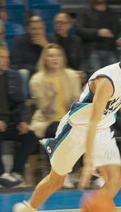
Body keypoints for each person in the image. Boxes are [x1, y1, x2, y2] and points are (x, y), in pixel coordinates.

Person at [13, 28, 121, 212]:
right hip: (77, 129)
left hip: (102, 128)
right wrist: (88, 163)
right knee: (56, 181)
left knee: (116, 179)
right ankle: (27, 211)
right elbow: (92, 121)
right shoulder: (106, 81)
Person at [0, 44, 37, 187]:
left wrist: (22, 121)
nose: (6, 60)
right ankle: (1, 173)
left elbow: (20, 103)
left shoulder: (13, 76)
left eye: (7, 57)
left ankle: (17, 171)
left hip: (10, 123)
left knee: (31, 136)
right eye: (2, 57)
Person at [29, 44, 82, 188]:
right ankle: (62, 174)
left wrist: (74, 103)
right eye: (51, 56)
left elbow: (77, 104)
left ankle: (82, 173)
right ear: (45, 59)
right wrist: (52, 97)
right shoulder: (37, 80)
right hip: (47, 121)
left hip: (69, 119)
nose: (55, 59)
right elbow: (46, 112)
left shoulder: (71, 76)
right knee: (59, 130)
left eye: (57, 55)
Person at [76, 0, 121, 74]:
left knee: (115, 79)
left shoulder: (113, 13)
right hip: (92, 51)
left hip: (111, 50)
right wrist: (97, 33)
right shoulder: (85, 12)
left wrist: (120, 38)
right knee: (98, 79)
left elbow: (119, 30)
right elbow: (79, 30)